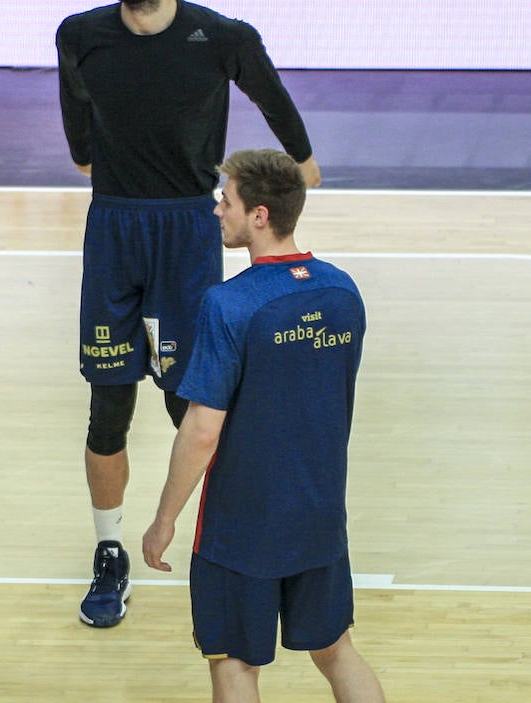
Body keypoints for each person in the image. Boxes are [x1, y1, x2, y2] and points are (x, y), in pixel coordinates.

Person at [55, 0, 322, 627]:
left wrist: (301, 159)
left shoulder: (218, 37)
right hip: (113, 227)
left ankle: (234, 538)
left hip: (187, 230)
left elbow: (268, 90)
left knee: (192, 401)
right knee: (108, 403)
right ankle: (111, 554)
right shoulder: (81, 35)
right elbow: (78, 131)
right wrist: (97, 157)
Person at [141, 149, 384, 701]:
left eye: (226, 200)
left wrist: (163, 519)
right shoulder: (343, 292)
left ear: (260, 215)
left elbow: (203, 431)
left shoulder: (229, 305)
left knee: (235, 664)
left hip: (241, 527)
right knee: (336, 649)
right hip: (320, 514)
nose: (217, 210)